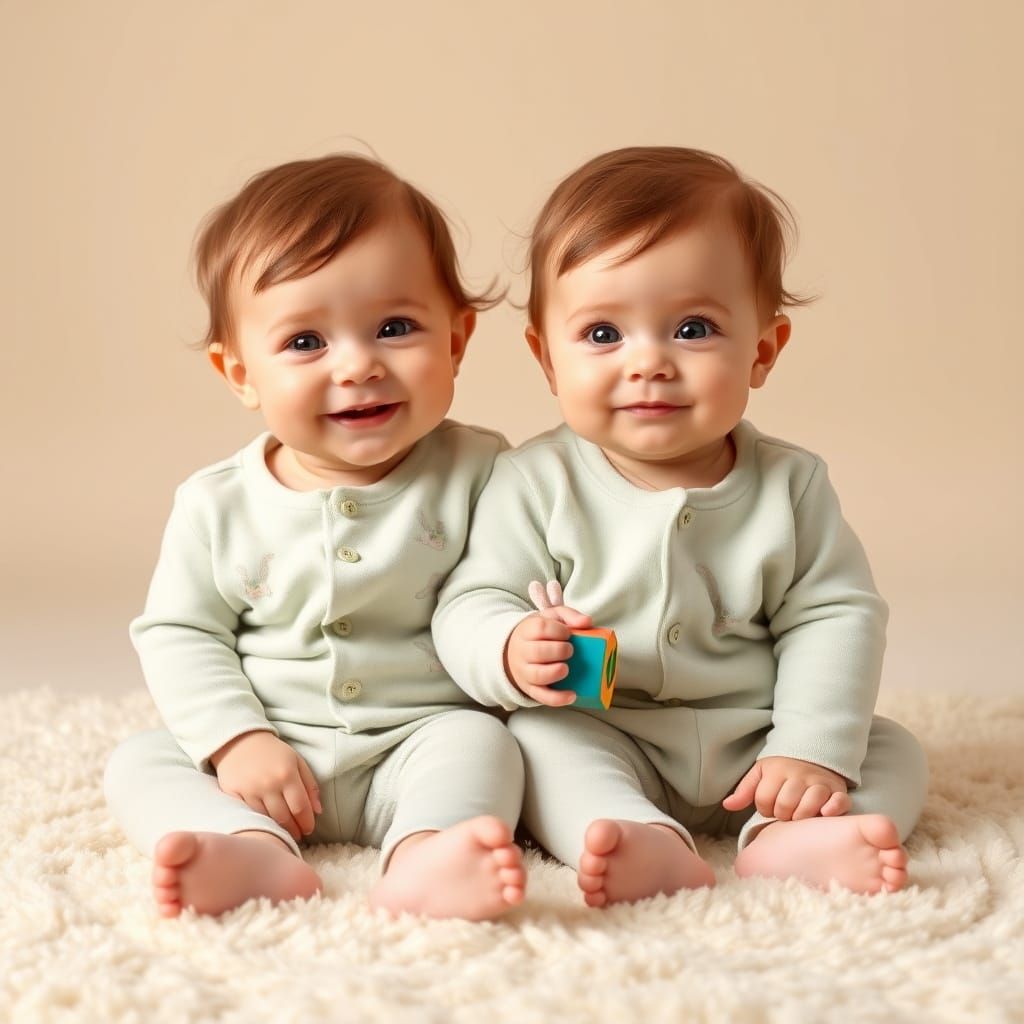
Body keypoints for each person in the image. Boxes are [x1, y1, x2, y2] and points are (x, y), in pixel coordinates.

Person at [433, 146, 928, 906]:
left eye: (693, 329)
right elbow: (468, 601)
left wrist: (809, 749)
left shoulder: (790, 485)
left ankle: (793, 836)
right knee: (534, 744)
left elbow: (836, 615)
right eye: (603, 335)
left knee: (887, 746)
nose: (650, 363)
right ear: (545, 358)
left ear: (762, 350)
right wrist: (507, 646)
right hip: (611, 729)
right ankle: (633, 833)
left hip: (756, 736)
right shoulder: (531, 481)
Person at [104, 154, 526, 921]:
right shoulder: (216, 503)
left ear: (458, 339)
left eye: (395, 328)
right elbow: (179, 631)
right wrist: (236, 742)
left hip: (416, 739)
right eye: (305, 343)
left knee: (487, 746)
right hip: (270, 749)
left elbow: (511, 584)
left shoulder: (485, 470)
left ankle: (428, 851)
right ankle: (244, 846)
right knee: (140, 760)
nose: (359, 365)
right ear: (240, 373)